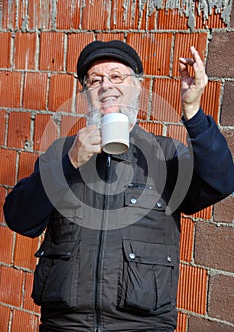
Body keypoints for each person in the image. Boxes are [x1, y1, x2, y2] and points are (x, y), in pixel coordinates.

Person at [3, 40, 234, 332]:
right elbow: (20, 219)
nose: (105, 86)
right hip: (65, 325)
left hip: (142, 325)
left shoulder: (165, 154)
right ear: (86, 94)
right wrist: (69, 164)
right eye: (95, 80)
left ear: (137, 86)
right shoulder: (62, 153)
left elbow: (220, 182)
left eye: (116, 76)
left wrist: (193, 112)